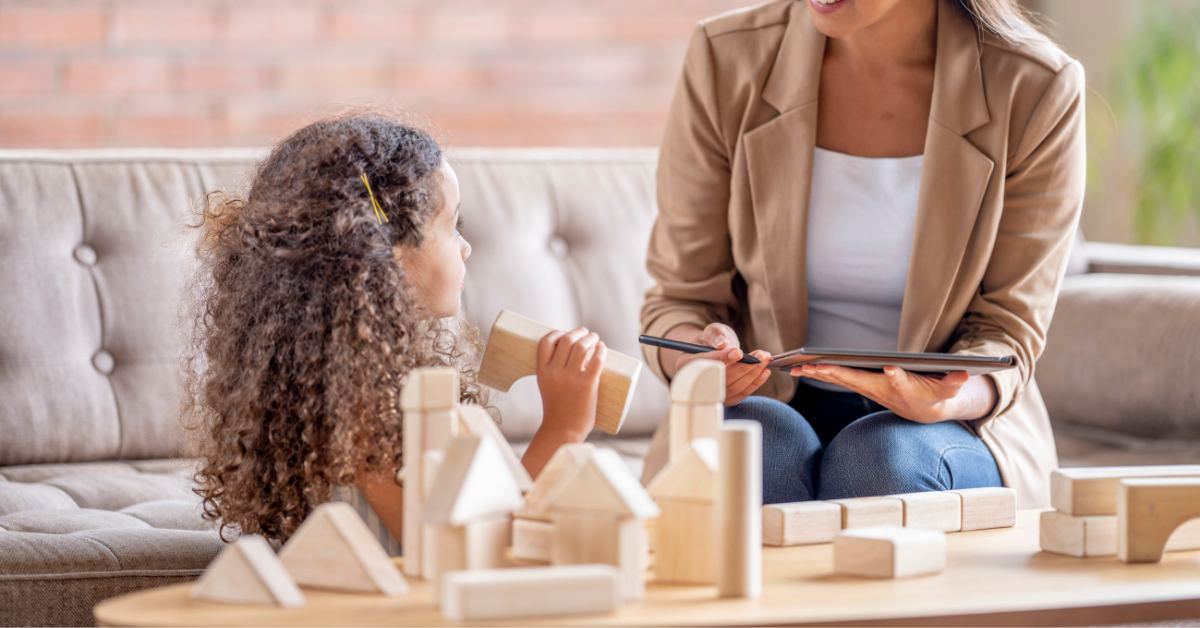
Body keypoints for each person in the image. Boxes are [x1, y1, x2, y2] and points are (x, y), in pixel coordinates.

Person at [641, 0, 1084, 508]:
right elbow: (680, 298)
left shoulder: (1037, 87)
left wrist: (945, 397)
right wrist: (699, 358)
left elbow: (1009, 331)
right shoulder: (727, 57)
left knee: (881, 461)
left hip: (949, 424)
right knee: (758, 451)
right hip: (765, 402)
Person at [183, 115, 607, 547]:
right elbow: (474, 549)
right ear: (385, 252)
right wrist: (563, 429)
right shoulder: (364, 408)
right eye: (452, 227)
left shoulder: (363, 386)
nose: (466, 247)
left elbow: (488, 511)